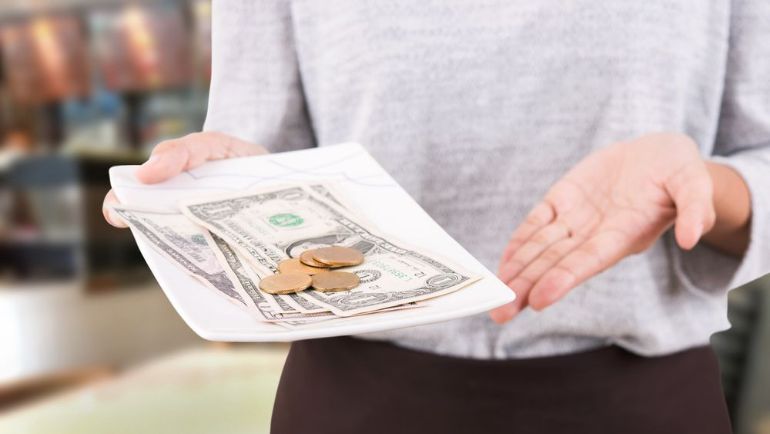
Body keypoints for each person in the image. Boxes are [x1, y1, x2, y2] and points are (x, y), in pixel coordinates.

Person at [104, 1, 770, 433]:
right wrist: (231, 187)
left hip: (638, 407)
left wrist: (706, 184)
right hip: (359, 405)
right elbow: (261, 143)